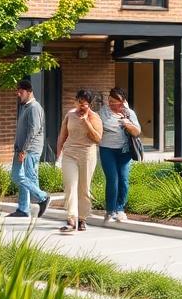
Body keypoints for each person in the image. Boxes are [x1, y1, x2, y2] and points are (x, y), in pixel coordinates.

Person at [55, 89, 102, 234]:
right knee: (70, 186)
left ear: (90, 105)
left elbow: (98, 138)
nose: (81, 106)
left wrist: (86, 122)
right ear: (76, 101)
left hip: (87, 154)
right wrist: (59, 154)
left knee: (84, 189)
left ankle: (82, 219)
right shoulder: (69, 115)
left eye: (85, 104)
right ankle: (71, 219)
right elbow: (62, 135)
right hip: (69, 154)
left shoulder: (95, 117)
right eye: (79, 102)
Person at [98, 87, 141, 224]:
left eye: (114, 102)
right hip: (107, 149)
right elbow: (96, 128)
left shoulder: (129, 113)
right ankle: (110, 210)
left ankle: (120, 209)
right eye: (110, 101)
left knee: (123, 179)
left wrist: (127, 124)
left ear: (122, 102)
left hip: (124, 151)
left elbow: (137, 132)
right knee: (112, 179)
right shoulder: (103, 112)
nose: (111, 104)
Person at [8, 79, 50, 219]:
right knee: (21, 177)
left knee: (24, 177)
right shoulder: (25, 107)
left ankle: (42, 197)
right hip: (21, 149)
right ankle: (23, 209)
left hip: (30, 150)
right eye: (17, 91)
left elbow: (33, 130)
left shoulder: (34, 107)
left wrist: (24, 150)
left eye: (21, 92)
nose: (18, 94)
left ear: (29, 92)